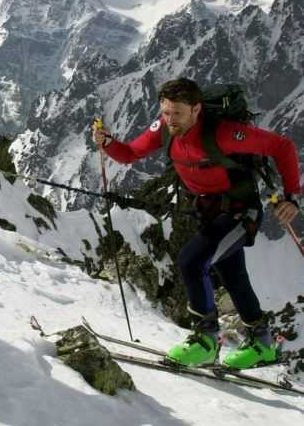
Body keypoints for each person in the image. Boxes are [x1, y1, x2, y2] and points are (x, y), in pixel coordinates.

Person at [92, 78, 301, 368]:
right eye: (165, 112)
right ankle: (262, 344)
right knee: (233, 276)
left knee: (191, 261)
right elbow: (129, 154)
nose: (170, 119)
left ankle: (206, 340)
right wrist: (108, 143)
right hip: (210, 214)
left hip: (241, 214)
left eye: (177, 113)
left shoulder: (224, 134)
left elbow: (282, 146)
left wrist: (292, 196)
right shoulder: (165, 130)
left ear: (196, 109)